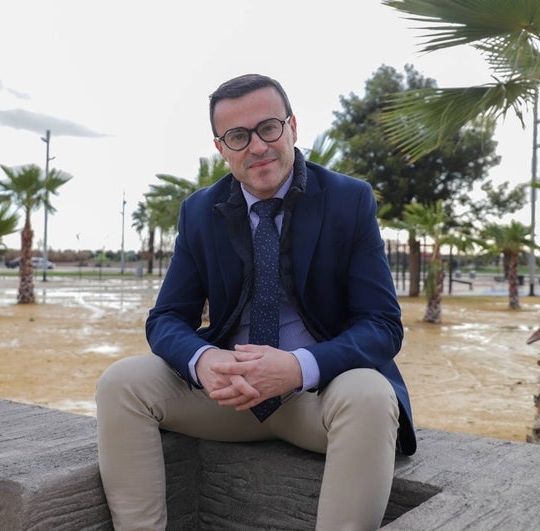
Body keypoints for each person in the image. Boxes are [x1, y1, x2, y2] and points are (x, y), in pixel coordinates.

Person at [96, 73, 416, 530]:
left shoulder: (349, 200)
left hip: (318, 398)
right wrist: (203, 360)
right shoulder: (198, 211)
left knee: (370, 394)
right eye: (238, 136)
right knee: (121, 383)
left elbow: (383, 325)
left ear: (292, 127)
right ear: (221, 147)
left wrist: (297, 367)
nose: (258, 147)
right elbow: (166, 318)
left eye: (269, 127)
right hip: (227, 398)